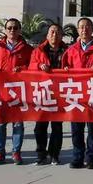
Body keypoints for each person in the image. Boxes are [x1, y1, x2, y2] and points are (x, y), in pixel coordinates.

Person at [62, 17, 93, 169]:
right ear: (78, 30)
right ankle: (77, 157)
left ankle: (91, 158)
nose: (84, 29)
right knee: (76, 128)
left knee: (92, 128)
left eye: (87, 27)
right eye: (81, 27)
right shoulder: (71, 51)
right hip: (76, 94)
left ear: (92, 30)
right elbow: (63, 68)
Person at [0, 18, 33, 165]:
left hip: (19, 92)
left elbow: (33, 67)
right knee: (0, 123)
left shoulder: (27, 49)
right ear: (5, 30)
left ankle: (16, 152)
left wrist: (23, 69)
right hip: (1, 91)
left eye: (15, 28)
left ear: (20, 30)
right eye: (9, 28)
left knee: (18, 123)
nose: (12, 30)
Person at [29, 24, 68, 165]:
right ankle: (41, 153)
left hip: (60, 93)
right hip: (43, 92)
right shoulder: (38, 51)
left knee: (57, 126)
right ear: (47, 35)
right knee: (40, 126)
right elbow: (30, 67)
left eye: (58, 32)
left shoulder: (67, 50)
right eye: (52, 32)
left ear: (62, 35)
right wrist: (39, 66)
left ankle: (54, 154)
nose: (54, 35)